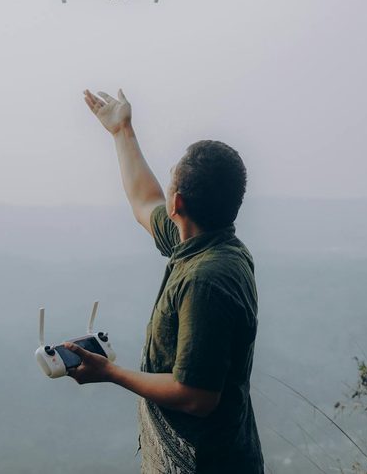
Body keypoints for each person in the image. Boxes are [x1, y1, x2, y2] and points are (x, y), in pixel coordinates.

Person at [64, 88, 264, 473]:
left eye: (172, 183)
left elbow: (197, 397)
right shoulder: (206, 243)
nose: (166, 192)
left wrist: (110, 373)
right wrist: (122, 132)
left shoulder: (206, 279)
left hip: (205, 463)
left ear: (179, 204)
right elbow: (144, 201)